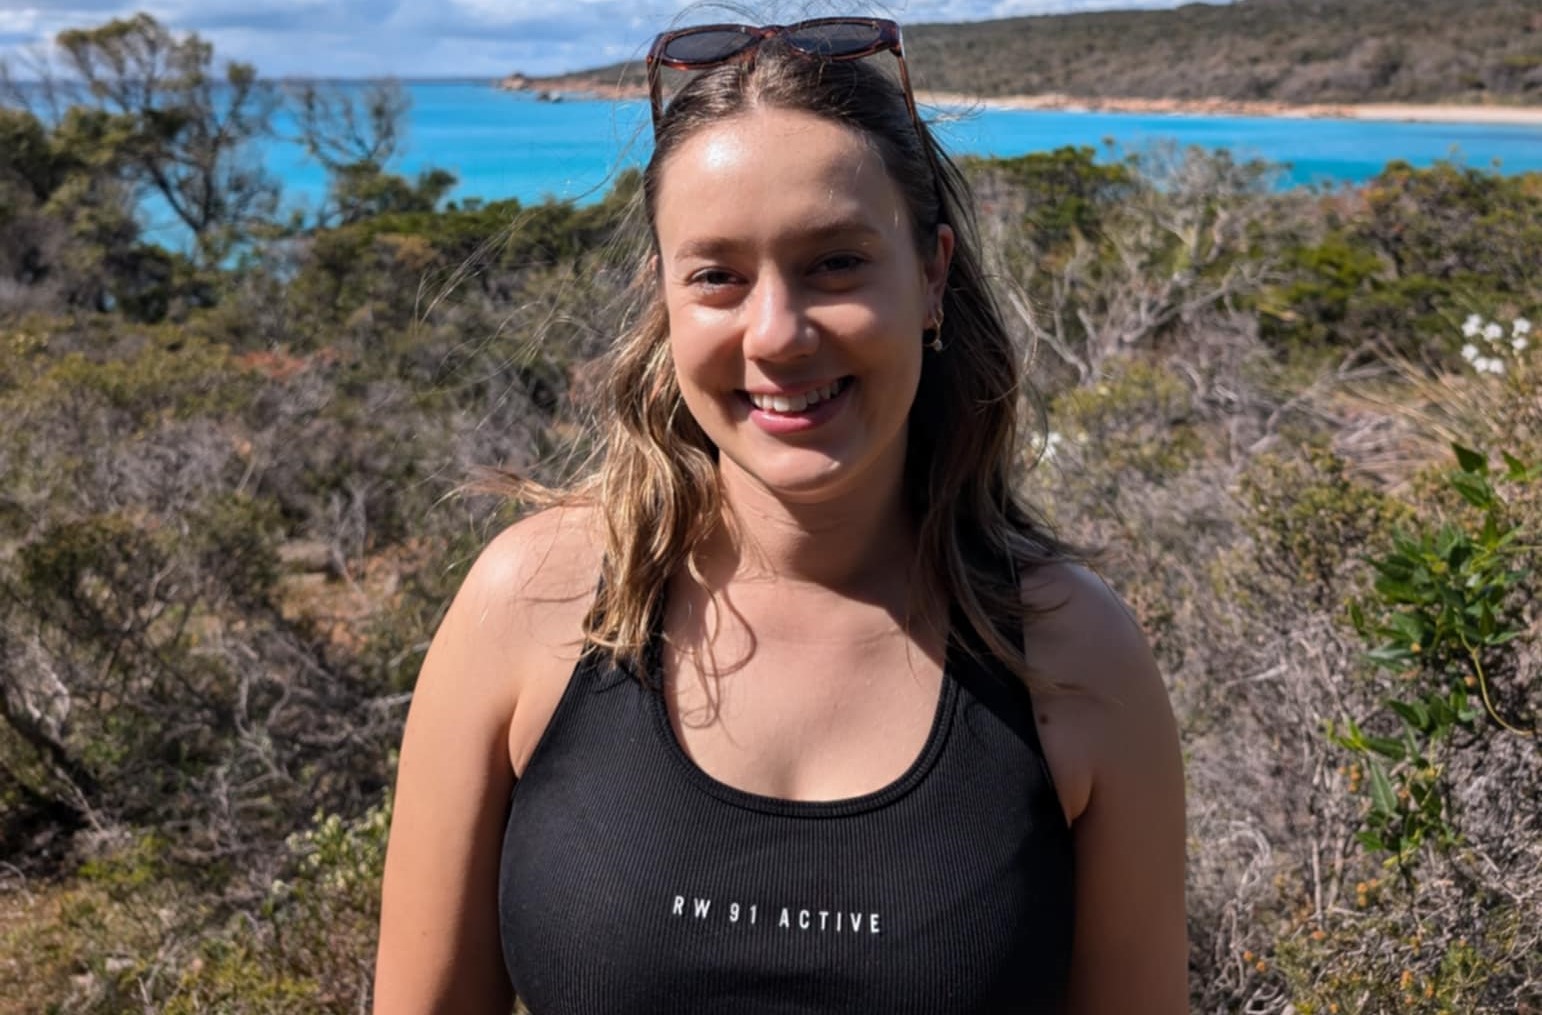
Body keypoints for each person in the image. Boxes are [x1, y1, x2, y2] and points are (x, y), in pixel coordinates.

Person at [374, 17, 1186, 1014]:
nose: (777, 333)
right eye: (716, 275)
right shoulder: (530, 604)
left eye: (836, 263)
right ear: (666, 299)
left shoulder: (1073, 653)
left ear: (931, 274)